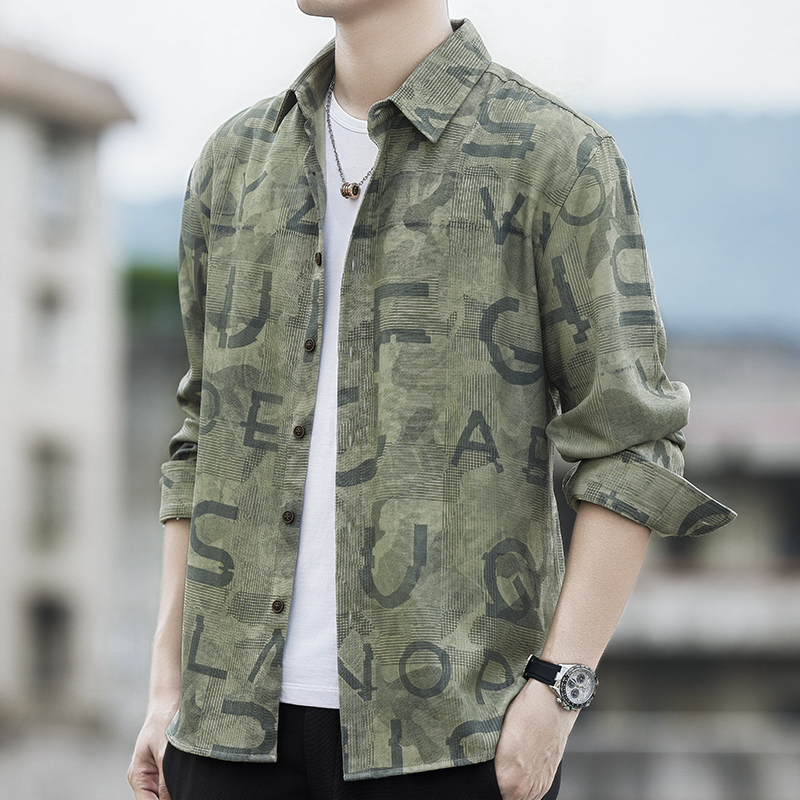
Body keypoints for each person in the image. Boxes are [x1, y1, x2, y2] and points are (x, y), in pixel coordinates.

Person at [128, 2, 735, 799]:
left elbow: (631, 444)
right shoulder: (234, 161)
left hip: (453, 744)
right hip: (227, 739)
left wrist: (557, 696)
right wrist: (166, 686)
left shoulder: (553, 156)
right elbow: (205, 436)